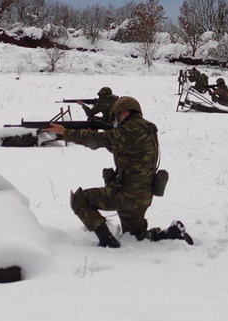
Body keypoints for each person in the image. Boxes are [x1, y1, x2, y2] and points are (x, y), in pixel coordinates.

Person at [43, 96, 191, 247]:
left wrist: (66, 132)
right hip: (142, 195)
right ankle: (171, 234)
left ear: (125, 112)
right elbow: (122, 146)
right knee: (134, 236)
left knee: (79, 200)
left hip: (127, 195)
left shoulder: (131, 129)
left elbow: (99, 140)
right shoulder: (146, 128)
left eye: (116, 116)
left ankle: (107, 241)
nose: (115, 120)